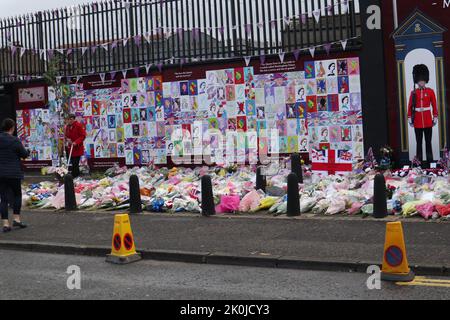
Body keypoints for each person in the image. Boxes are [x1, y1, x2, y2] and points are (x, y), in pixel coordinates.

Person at [0, 118, 30, 233]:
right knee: (17, 195)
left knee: (3, 198)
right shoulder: (15, 140)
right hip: (13, 173)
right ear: (12, 128)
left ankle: (5, 224)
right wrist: (27, 151)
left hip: (1, 173)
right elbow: (24, 154)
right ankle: (16, 219)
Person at [408, 64, 438, 166]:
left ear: (425, 80)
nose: (421, 82)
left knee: (428, 142)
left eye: (423, 80)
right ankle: (419, 162)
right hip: (417, 121)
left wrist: (435, 116)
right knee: (419, 143)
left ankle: (430, 162)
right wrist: (409, 117)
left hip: (428, 120)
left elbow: (434, 104)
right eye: (420, 80)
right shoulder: (413, 92)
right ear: (417, 81)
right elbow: (410, 106)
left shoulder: (430, 91)